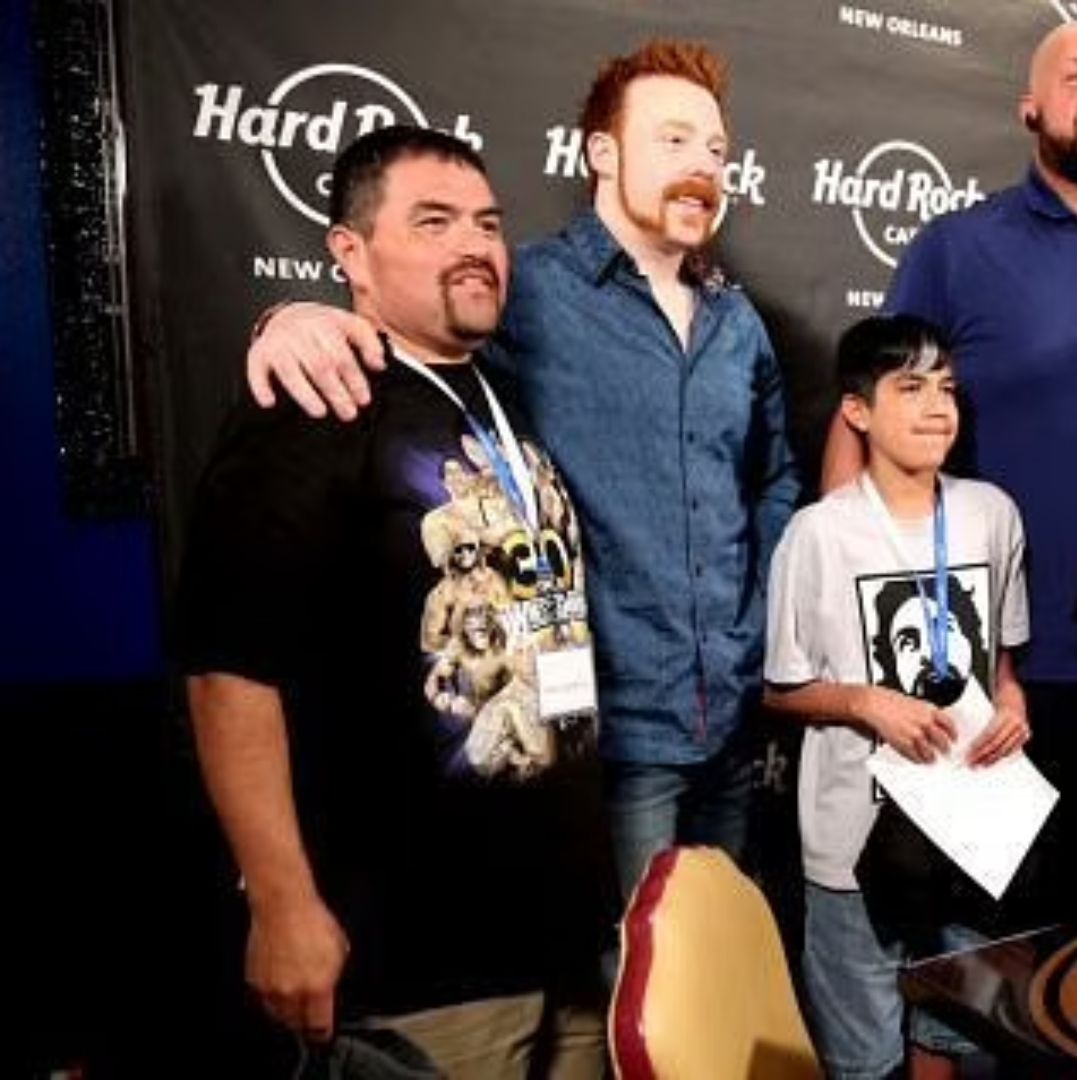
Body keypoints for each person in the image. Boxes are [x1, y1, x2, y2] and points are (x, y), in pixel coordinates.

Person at [240, 40, 800, 898]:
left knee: (722, 980)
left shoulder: (739, 324)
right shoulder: (520, 288)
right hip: (601, 739)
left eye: (718, 151)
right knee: (628, 998)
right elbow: (398, 347)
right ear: (602, 154)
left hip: (729, 720)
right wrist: (283, 318)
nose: (703, 168)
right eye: (675, 141)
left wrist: (750, 624)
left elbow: (772, 479)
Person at [178, 126, 613, 1074]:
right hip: (419, 957)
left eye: (489, 223)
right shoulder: (311, 399)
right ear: (350, 252)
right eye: (433, 221)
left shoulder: (496, 397)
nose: (475, 244)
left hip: (564, 933)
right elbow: (227, 673)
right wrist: (284, 905)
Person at [825, 18, 1077, 917]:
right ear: (1029, 108)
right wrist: (838, 564)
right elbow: (867, 408)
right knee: (1011, 943)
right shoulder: (956, 246)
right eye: (1076, 74)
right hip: (1013, 665)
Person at [764, 315, 1031, 1080]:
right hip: (855, 837)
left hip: (969, 826)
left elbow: (1004, 664)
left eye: (946, 388)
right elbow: (781, 691)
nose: (936, 407)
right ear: (857, 410)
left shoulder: (991, 513)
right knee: (865, 1054)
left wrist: (1013, 706)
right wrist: (866, 702)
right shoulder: (818, 534)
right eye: (909, 388)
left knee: (955, 1037)